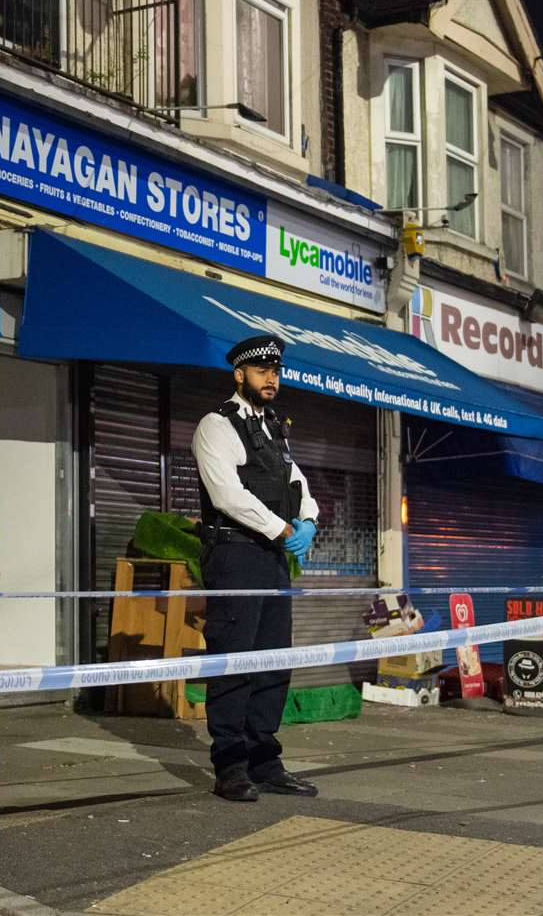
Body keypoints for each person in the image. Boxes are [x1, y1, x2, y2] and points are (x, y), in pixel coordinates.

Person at [191, 334, 322, 803]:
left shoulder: (273, 429)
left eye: (277, 370)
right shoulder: (216, 425)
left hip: (270, 559)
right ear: (239, 374)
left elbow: (299, 484)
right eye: (263, 370)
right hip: (234, 557)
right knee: (234, 664)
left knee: (272, 664)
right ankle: (230, 766)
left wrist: (307, 520)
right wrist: (285, 532)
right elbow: (227, 496)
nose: (272, 377)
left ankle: (265, 761)